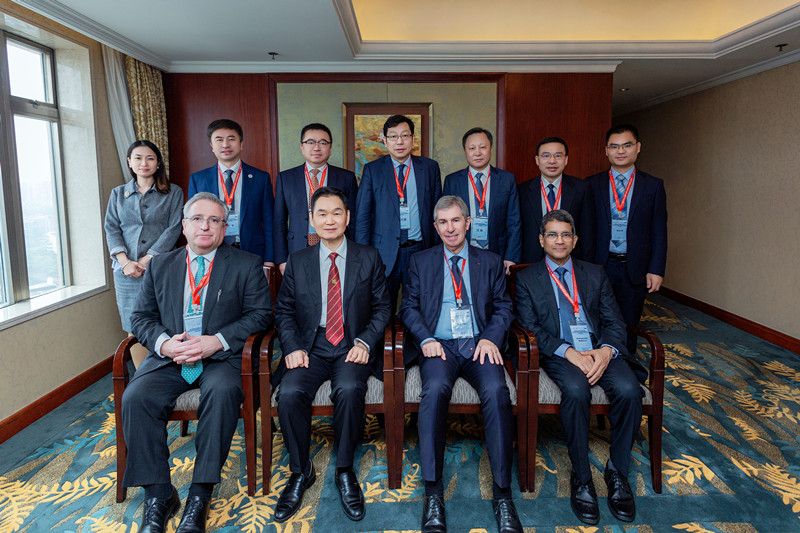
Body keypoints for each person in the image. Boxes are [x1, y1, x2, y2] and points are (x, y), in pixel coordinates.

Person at [123, 192, 272, 533]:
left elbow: (261, 314)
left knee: (222, 393)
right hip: (171, 358)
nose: (205, 226)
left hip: (221, 358)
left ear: (224, 227)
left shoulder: (246, 264)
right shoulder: (161, 265)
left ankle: (200, 494)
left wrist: (216, 340)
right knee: (136, 397)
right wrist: (165, 344)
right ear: (184, 225)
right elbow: (141, 317)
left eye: (214, 220)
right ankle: (159, 494)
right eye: (197, 219)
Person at [399, 196, 521, 533]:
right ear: (435, 226)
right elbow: (408, 307)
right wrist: (426, 338)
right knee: (435, 390)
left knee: (497, 391)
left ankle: (503, 495)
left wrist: (491, 338)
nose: (450, 228)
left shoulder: (490, 261)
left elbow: (504, 307)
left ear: (468, 222)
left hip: (479, 343)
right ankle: (433, 491)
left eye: (456, 220)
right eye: (443, 222)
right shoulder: (420, 261)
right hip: (440, 345)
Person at [514, 209, 643, 525]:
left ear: (575, 240)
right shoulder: (526, 279)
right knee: (575, 389)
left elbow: (615, 321)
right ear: (541, 240)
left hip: (599, 350)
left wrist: (606, 352)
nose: (559, 241)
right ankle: (582, 477)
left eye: (565, 235)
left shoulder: (595, 274)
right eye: (552, 235)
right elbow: (530, 328)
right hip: (560, 354)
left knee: (629, 390)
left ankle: (618, 472)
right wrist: (569, 352)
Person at [273, 187, 390, 523]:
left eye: (336, 213)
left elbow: (383, 308)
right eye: (321, 214)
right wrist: (293, 347)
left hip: (351, 344)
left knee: (351, 389)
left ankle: (344, 469)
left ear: (348, 217)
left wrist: (365, 342)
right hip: (310, 346)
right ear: (311, 219)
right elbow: (284, 311)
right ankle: (300, 471)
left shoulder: (369, 257)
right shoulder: (298, 260)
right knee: (290, 393)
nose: (329, 220)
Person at [587, 124, 667, 357]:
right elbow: (586, 229)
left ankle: (626, 364)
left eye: (627, 145)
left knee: (629, 323)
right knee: (596, 320)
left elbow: (659, 230)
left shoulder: (653, 186)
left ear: (638, 147)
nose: (620, 151)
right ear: (606, 151)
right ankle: (597, 364)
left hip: (635, 267)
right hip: (600, 265)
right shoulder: (592, 184)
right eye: (614, 146)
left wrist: (656, 269)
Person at [104, 140, 183, 367]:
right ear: (129, 162)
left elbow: (174, 228)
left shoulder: (173, 192)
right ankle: (143, 374)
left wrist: (149, 258)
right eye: (138, 158)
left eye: (150, 158)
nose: (144, 163)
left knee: (167, 319)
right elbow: (111, 229)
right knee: (134, 323)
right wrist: (124, 262)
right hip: (127, 272)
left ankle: (168, 371)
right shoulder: (118, 194)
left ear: (158, 163)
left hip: (162, 267)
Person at [355, 114, 442, 311]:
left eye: (404, 135)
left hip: (421, 251)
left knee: (421, 307)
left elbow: (439, 213)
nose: (399, 141)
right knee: (382, 309)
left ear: (413, 139)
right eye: (393, 136)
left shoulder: (430, 168)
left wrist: (438, 251)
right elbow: (362, 217)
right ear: (384, 140)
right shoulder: (373, 170)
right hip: (383, 252)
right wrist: (363, 257)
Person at [273, 123, 359, 274]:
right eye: (310, 142)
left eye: (323, 143)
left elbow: (353, 220)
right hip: (298, 248)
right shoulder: (285, 178)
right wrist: (282, 259)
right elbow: (279, 221)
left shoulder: (346, 178)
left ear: (330, 148)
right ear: (302, 147)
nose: (317, 147)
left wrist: (355, 253)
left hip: (337, 248)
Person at [188, 118, 275, 267]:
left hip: (252, 252)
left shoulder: (261, 178)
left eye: (231, 139)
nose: (225, 145)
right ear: (212, 146)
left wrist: (270, 259)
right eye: (219, 140)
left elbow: (269, 221)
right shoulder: (198, 179)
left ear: (241, 144)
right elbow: (193, 221)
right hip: (211, 251)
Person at [443, 127, 521, 274]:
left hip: (498, 254)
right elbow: (445, 221)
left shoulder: (506, 179)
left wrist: (511, 256)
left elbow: (514, 221)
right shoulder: (452, 181)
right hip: (462, 251)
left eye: (483, 147)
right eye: (472, 148)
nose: (477, 152)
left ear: (491, 148)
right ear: (465, 151)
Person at [519, 137, 595, 263]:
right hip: (532, 261)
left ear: (566, 160)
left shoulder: (581, 188)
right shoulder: (522, 190)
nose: (552, 161)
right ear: (537, 160)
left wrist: (587, 265)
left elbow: (588, 231)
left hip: (571, 260)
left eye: (558, 156)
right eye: (546, 155)